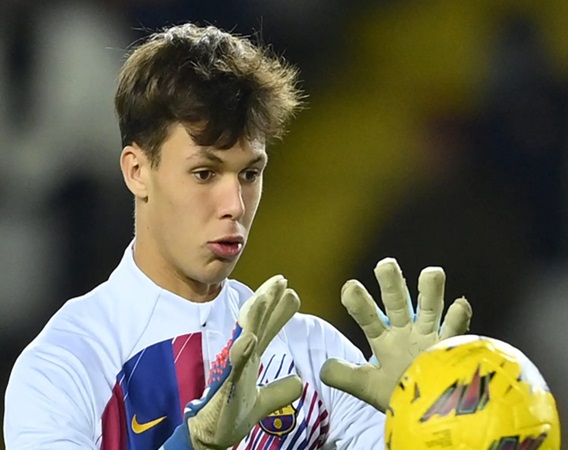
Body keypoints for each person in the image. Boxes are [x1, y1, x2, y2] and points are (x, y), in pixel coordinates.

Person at [3, 24, 472, 450]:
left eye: (250, 173)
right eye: (205, 173)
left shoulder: (315, 356)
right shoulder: (65, 365)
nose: (235, 204)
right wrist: (193, 445)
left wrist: (425, 426)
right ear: (137, 171)